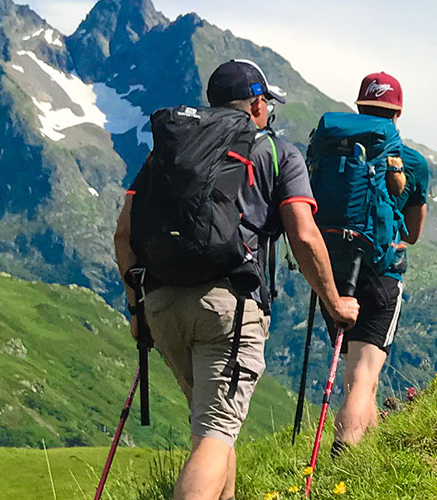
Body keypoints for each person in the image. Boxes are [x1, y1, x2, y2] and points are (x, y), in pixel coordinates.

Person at [114, 59, 360, 500]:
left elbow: (124, 234)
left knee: (210, 430)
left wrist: (137, 310)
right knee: (216, 431)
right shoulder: (276, 151)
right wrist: (335, 301)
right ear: (258, 103)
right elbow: (303, 234)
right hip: (230, 306)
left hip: (162, 303)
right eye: (267, 102)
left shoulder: (168, 150)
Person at [308, 72, 424, 452]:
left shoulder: (330, 146)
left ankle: (365, 461)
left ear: (359, 106)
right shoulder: (411, 161)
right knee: (362, 377)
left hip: (331, 269)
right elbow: (411, 233)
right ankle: (344, 458)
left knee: (356, 375)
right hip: (379, 270)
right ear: (398, 113)